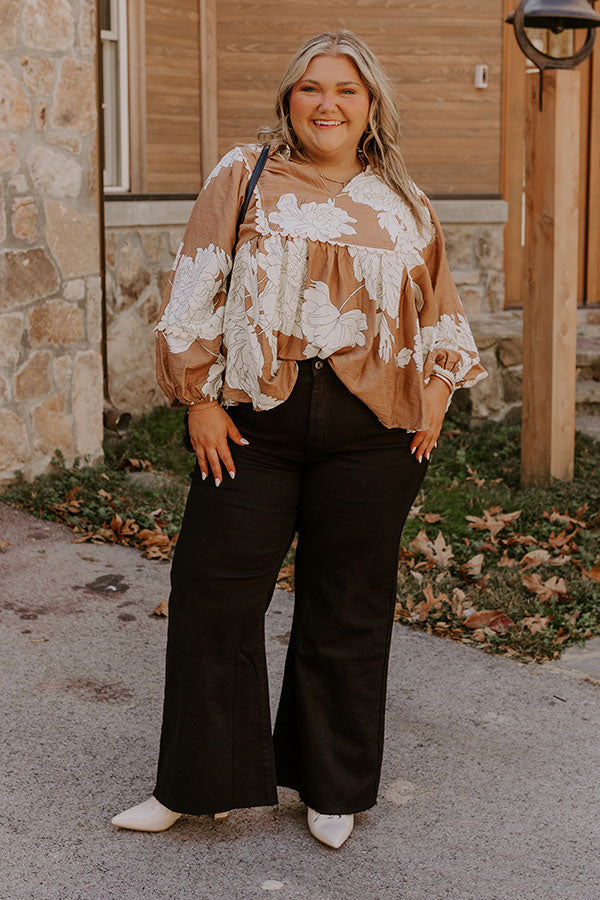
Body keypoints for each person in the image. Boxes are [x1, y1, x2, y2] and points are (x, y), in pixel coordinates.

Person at [111, 29, 486, 849]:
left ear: (371, 106)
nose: (328, 103)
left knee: (346, 605)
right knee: (213, 592)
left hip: (373, 434)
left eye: (346, 90)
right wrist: (198, 400)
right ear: (289, 99)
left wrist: (434, 396)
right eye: (312, 88)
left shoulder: (404, 201)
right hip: (254, 422)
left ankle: (330, 786)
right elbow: (198, 280)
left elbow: (439, 307)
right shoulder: (242, 175)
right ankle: (195, 787)